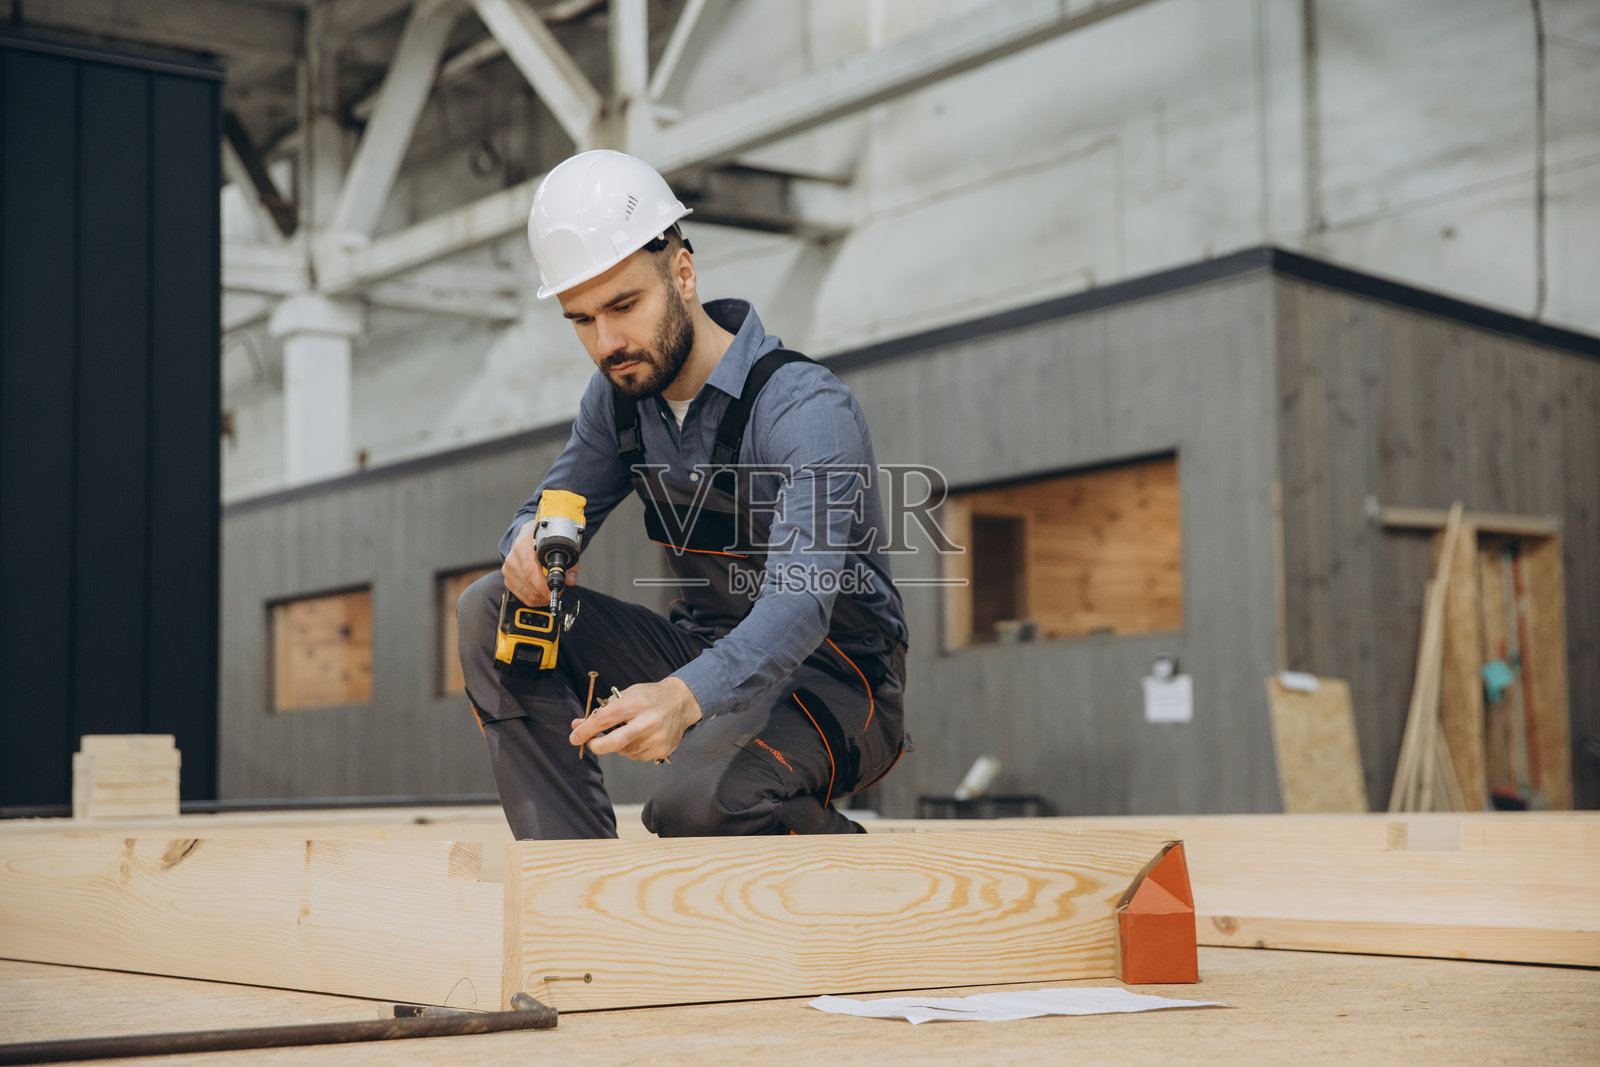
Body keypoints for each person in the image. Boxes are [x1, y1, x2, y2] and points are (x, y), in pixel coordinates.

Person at [457, 149, 909, 840]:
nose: (607, 342)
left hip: (837, 680)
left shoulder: (802, 408)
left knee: (695, 807)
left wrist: (683, 695)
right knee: (493, 611)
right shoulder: (619, 403)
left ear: (684, 273)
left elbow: (798, 605)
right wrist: (527, 541)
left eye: (623, 305)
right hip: (702, 652)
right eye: (582, 320)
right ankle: (574, 890)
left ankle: (869, 889)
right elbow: (551, 506)